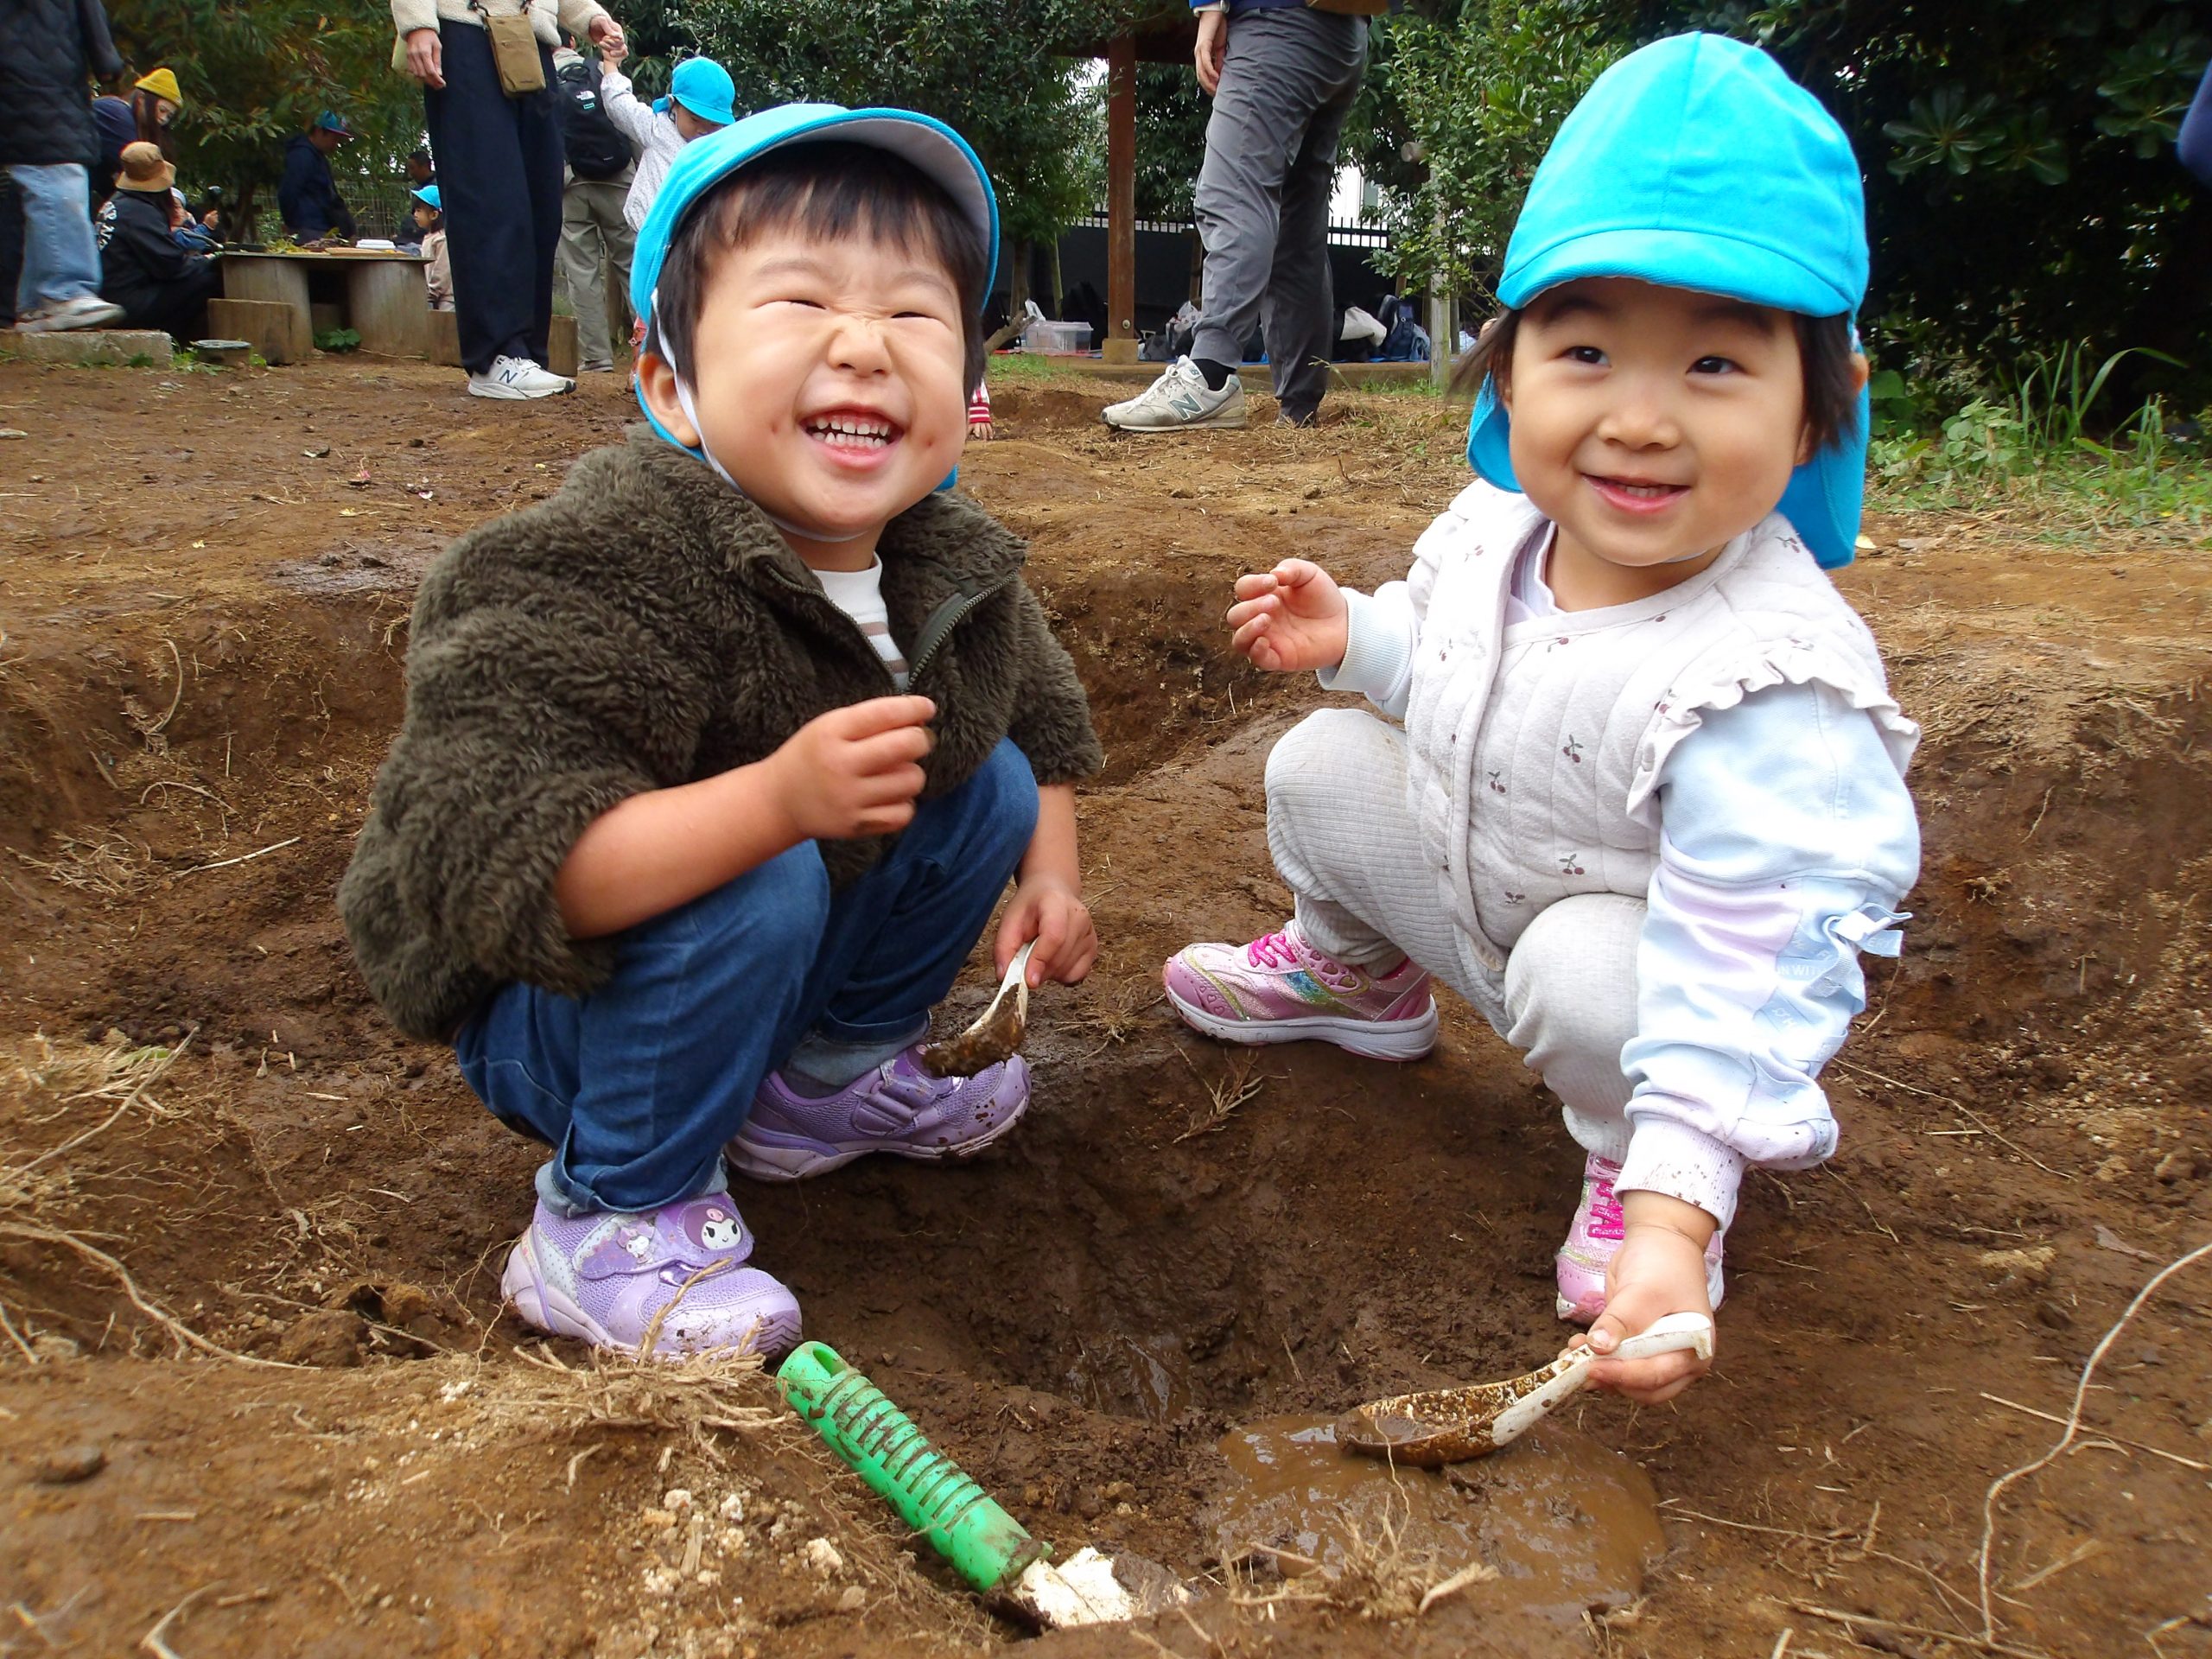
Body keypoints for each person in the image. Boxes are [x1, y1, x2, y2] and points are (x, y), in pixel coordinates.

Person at [1163, 35, 1921, 1406]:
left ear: (1820, 413)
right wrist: (1364, 640)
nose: (1639, 419)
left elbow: (1749, 963)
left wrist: (1681, 1213)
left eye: (1713, 366)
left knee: (1588, 977)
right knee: (1322, 761)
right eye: (1587, 350)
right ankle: (1358, 981)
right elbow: (1458, 672)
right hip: (1479, 894)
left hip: (1639, 985)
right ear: (1510, 378)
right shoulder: (1500, 526)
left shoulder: (1770, 679)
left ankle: (1639, 1174)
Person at [338, 105, 1104, 1359]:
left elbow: (1036, 700)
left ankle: (819, 1087)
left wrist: (1053, 873)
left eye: (915, 315)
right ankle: (606, 1214)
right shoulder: (597, 560)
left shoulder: (942, 554)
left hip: (771, 938)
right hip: (564, 1010)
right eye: (799, 304)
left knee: (991, 782)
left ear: (970, 396)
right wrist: (774, 804)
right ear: (668, 386)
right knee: (763, 862)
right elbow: (501, 855)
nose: (863, 346)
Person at [1101, 0, 1373, 433]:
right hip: (1345, 34)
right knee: (1296, 221)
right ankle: (1300, 404)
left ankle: (1210, 375)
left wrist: (1209, 6)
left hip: (1276, 21)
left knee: (1233, 192)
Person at [392, 0, 628, 402]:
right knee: (489, 197)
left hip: (533, 40)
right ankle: (494, 357)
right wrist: (417, 23)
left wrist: (590, 16)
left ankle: (524, 355)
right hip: (464, 30)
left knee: (541, 203)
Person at [0, 0, 127, 332]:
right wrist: (105, 57)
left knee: (40, 181)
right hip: (44, 76)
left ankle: (36, 302)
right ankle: (63, 291)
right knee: (53, 176)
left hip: (36, 74)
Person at [553, 42, 636, 372]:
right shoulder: (601, 70)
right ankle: (655, 350)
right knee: (633, 266)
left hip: (570, 182)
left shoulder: (541, 79)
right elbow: (626, 119)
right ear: (572, 42)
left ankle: (597, 358)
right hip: (618, 177)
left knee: (582, 272)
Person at [597, 47, 733, 232]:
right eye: (695, 120)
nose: (703, 130)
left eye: (714, 124)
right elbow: (619, 104)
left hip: (692, 236)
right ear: (672, 104)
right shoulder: (658, 128)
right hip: (648, 231)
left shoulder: (721, 148)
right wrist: (611, 63)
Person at [97, 140, 219, 339]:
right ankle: (179, 340)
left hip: (108, 294)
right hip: (127, 302)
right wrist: (207, 260)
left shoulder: (116, 202)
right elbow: (170, 265)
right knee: (208, 278)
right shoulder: (139, 211)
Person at [278, 111, 358, 242]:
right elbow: (287, 193)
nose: (336, 144)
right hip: (308, 229)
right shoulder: (302, 156)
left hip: (321, 228)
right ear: (320, 132)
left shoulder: (318, 158)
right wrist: (293, 225)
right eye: (334, 138)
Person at [411, 182, 451, 309]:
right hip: (434, 297)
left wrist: (431, 293)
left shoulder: (442, 239)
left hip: (447, 300)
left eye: (419, 210)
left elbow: (443, 270)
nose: (415, 215)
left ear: (434, 215)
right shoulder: (430, 237)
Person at [394, 149, 437, 248]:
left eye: (413, 168)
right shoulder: (418, 189)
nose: (411, 173)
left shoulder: (436, 189)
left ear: (425, 167)